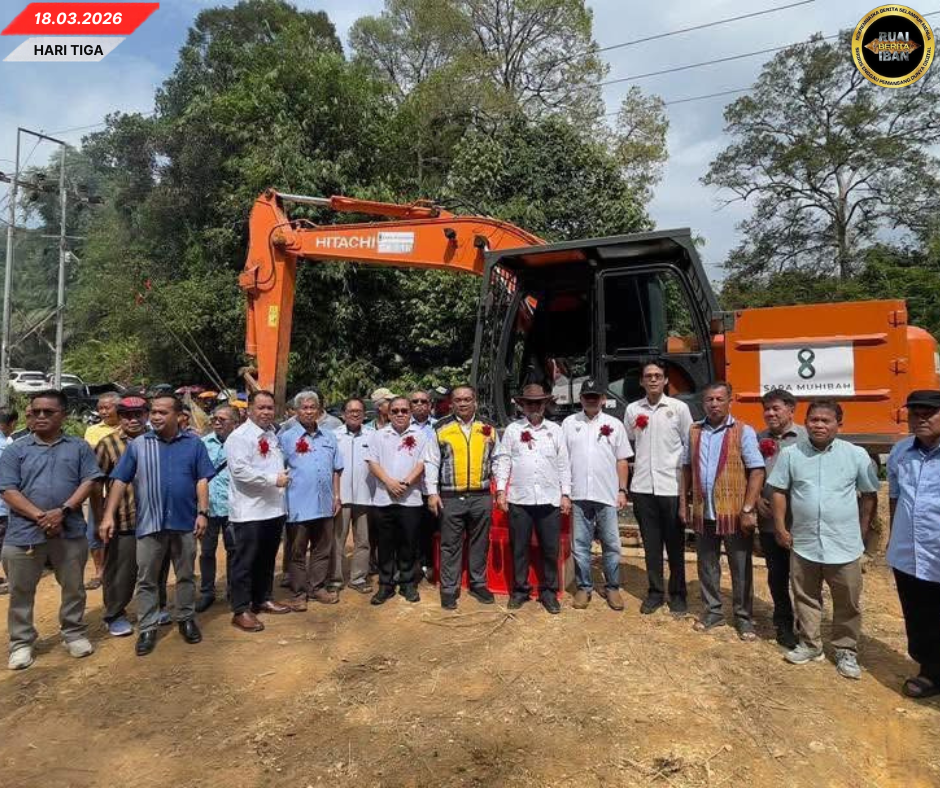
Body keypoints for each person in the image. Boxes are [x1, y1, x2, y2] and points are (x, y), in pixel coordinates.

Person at [769, 399, 879, 679]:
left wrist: (862, 531)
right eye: (813, 420)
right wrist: (780, 527)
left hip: (844, 544)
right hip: (804, 542)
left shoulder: (856, 455)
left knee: (847, 601)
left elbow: (869, 495)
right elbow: (779, 491)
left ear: (839, 424)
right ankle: (810, 645)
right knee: (805, 597)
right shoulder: (791, 454)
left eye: (825, 420)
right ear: (805, 423)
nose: (818, 425)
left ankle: (845, 649)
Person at [102, 395, 215, 656]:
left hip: (185, 521)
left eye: (162, 412)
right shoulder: (139, 445)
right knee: (147, 578)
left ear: (179, 416)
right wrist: (108, 516)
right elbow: (119, 480)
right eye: (153, 412)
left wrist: (202, 512)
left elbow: (201, 479)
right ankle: (148, 627)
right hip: (149, 522)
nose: (155, 417)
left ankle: (186, 618)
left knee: (185, 575)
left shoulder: (194, 444)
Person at [0, 390, 102, 670]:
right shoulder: (16, 450)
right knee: (20, 591)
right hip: (23, 534)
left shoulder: (79, 448)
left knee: (73, 587)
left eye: (49, 412)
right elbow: (7, 489)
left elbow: (89, 481)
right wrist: (41, 516)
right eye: (36, 412)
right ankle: (21, 642)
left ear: (63, 415)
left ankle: (73, 632)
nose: (41, 416)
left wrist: (63, 511)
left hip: (69, 531)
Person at [680, 382, 765, 641]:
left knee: (740, 567)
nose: (714, 404)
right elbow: (686, 468)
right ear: (703, 403)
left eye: (719, 399)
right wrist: (684, 503)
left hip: (734, 512)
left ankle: (743, 617)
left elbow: (757, 471)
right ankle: (713, 612)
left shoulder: (743, 431)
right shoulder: (694, 430)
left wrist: (748, 508)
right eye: (709, 400)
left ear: (730, 401)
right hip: (704, 510)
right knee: (707, 564)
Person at [494, 382, 572, 614]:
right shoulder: (512, 430)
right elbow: (503, 461)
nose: (534, 407)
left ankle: (549, 592)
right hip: (520, 498)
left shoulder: (555, 430)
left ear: (545, 404)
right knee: (519, 548)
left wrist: (565, 494)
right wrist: (501, 490)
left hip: (549, 499)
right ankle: (520, 590)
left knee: (550, 549)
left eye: (538, 403)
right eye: (529, 403)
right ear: (522, 405)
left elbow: (563, 464)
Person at [625, 361, 694, 615]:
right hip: (643, 487)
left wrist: (687, 489)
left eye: (658, 375)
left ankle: (678, 594)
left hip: (671, 487)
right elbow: (629, 443)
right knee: (651, 545)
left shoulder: (679, 408)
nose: (653, 379)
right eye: (648, 376)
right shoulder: (632, 410)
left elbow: (689, 445)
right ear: (642, 381)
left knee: (675, 545)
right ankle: (655, 592)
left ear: (665, 380)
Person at [425, 385, 499, 610]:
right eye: (458, 400)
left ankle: (478, 584)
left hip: (481, 495)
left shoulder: (488, 427)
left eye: (467, 399)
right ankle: (449, 589)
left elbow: (498, 458)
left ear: (475, 401)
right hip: (451, 496)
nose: (463, 403)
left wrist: (500, 489)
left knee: (480, 542)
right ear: (452, 403)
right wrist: (432, 492)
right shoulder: (441, 428)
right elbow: (432, 461)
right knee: (450, 544)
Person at [887, 390, 940, 698]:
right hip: (908, 552)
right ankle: (930, 671)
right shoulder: (901, 451)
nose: (920, 419)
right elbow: (895, 497)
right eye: (914, 413)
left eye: (928, 413)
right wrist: (894, 538)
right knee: (918, 614)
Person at [563, 379, 632, 611]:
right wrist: (565, 492)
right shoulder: (569, 423)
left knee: (611, 544)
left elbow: (622, 460)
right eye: (587, 396)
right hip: (579, 494)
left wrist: (622, 490)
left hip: (607, 494)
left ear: (603, 399)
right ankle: (584, 587)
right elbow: (563, 461)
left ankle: (612, 587)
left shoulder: (614, 424)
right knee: (580, 544)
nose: (591, 400)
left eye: (595, 396)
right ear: (580, 398)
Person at [226, 390, 291, 632]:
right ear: (249, 410)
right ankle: (241, 609)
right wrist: (273, 479)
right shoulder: (239, 437)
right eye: (261, 407)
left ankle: (263, 598)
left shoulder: (272, 434)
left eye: (269, 408)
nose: (266, 412)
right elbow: (240, 471)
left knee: (267, 558)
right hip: (249, 511)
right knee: (245, 561)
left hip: (273, 508)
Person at [92, 396, 151, 637]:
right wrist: (101, 517)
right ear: (120, 417)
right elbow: (96, 483)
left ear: (146, 415)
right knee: (121, 570)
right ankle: (115, 614)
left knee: (154, 567)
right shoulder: (108, 444)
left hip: (155, 517)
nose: (133, 420)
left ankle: (154, 608)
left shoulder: (156, 439)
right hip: (124, 517)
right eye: (127, 415)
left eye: (138, 414)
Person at [280, 391, 343, 609]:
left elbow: (336, 469)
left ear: (319, 410)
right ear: (296, 411)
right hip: (298, 505)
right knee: (297, 551)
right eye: (304, 408)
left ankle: (317, 588)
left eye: (312, 407)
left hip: (325, 503)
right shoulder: (286, 437)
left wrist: (337, 496)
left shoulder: (329, 436)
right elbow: (278, 469)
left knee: (322, 549)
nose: (308, 411)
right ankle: (299, 593)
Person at [366, 396, 429, 605]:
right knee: (385, 544)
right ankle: (385, 585)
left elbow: (422, 463)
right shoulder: (378, 435)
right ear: (388, 413)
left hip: (410, 499)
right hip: (383, 499)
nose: (400, 414)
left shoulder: (420, 435)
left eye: (404, 410)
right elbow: (372, 462)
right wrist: (389, 483)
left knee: (408, 543)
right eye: (395, 411)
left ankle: (407, 583)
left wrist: (406, 483)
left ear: (410, 413)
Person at [755, 388, 806, 649]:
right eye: (767, 409)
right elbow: (749, 472)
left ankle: (806, 625)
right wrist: (755, 499)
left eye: (776, 408)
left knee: (804, 577)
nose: (770, 413)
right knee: (777, 575)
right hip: (768, 521)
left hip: (801, 521)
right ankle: (783, 623)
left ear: (791, 410)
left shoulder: (806, 437)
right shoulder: (758, 438)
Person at [196, 404, 238, 613]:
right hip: (209, 508)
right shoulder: (202, 444)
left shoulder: (240, 444)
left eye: (223, 419)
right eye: (215, 419)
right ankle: (207, 592)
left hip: (234, 508)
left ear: (235, 423)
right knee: (206, 552)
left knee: (234, 550)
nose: (217, 422)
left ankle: (233, 590)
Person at [330, 398, 374, 594]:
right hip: (341, 497)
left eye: (359, 411)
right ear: (343, 414)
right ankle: (335, 579)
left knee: (363, 540)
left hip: (366, 496)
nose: (355, 414)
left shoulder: (373, 436)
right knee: (337, 540)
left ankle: (358, 578)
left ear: (364, 414)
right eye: (350, 411)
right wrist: (334, 495)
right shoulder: (334, 436)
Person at [83, 391, 122, 591]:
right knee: (95, 531)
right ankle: (99, 571)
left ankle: (119, 569)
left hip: (123, 492)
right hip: (99, 489)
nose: (103, 411)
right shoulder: (92, 430)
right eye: (100, 408)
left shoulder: (128, 428)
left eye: (107, 407)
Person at [0, 407, 18, 595]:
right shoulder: (7, 446)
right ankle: (13, 580)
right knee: (5, 543)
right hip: (3, 505)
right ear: (12, 423)